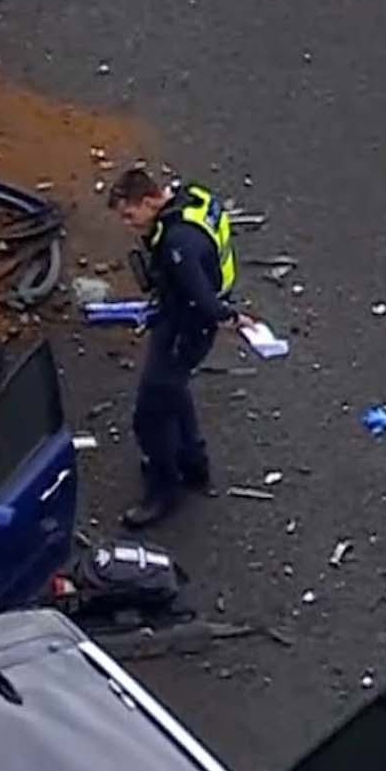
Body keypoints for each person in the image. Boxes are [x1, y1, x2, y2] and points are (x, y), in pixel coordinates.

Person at [106, 167, 251, 528]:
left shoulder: (177, 244)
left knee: (150, 415)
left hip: (184, 328)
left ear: (150, 200)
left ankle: (163, 488)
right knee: (174, 389)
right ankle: (193, 463)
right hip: (186, 322)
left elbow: (201, 296)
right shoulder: (192, 198)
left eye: (130, 214)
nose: (129, 224)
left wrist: (231, 318)